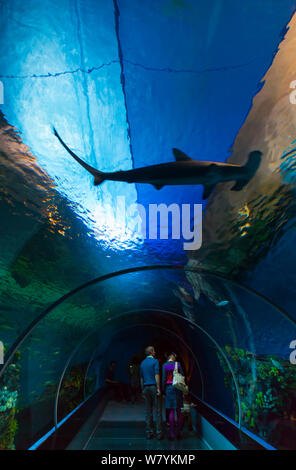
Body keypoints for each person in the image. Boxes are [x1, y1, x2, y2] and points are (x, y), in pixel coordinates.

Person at [140, 346, 163, 440]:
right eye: (154, 350)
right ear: (151, 352)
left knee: (148, 411)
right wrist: (158, 388)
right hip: (153, 387)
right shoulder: (155, 361)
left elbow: (141, 378)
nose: (155, 352)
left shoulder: (142, 363)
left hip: (145, 388)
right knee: (157, 411)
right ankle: (158, 433)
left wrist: (142, 389)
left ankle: (149, 432)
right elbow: (156, 374)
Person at [162, 352, 184, 440]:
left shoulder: (165, 365)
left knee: (171, 411)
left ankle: (171, 434)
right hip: (177, 388)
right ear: (173, 357)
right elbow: (182, 376)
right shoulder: (178, 365)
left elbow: (164, 379)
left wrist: (163, 391)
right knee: (178, 411)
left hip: (169, 388)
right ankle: (179, 433)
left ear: (168, 357)